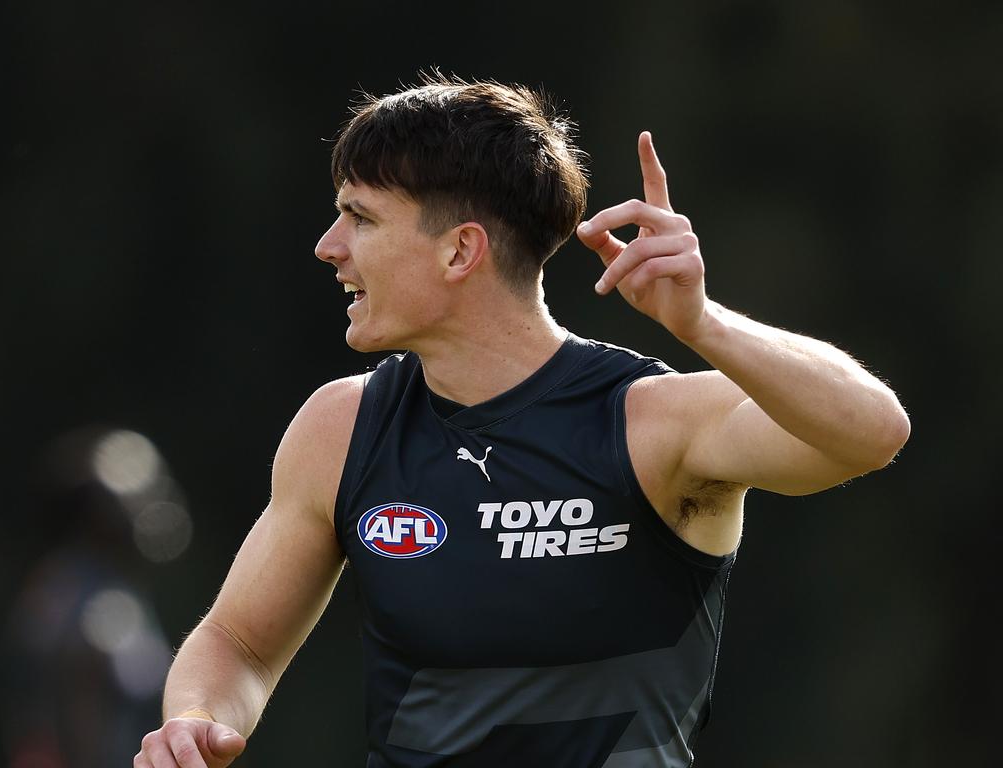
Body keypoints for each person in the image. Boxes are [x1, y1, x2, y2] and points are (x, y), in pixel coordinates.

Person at [134, 74, 910, 768]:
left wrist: (705, 324)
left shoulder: (648, 419)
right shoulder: (343, 427)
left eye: (359, 218)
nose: (329, 247)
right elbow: (237, 643)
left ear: (459, 251)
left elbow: (873, 431)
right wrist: (195, 722)